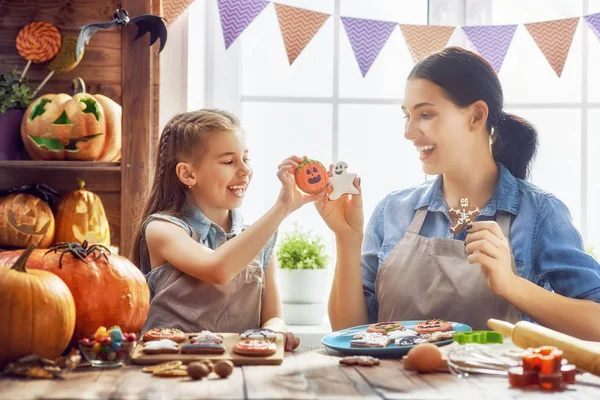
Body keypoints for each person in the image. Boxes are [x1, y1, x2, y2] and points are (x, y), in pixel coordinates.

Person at [317, 47, 600, 340]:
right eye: (407, 116)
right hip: (395, 386)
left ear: (476, 116)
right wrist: (347, 238)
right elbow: (348, 331)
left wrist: (511, 284)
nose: (409, 132)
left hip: (495, 386)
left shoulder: (539, 213)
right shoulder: (393, 210)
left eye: (425, 114)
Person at [131, 109, 324, 350]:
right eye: (229, 161)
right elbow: (217, 269)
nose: (245, 171)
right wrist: (282, 208)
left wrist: (274, 332)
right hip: (172, 369)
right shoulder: (162, 229)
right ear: (187, 173)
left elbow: (273, 317)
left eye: (246, 158)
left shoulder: (258, 238)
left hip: (241, 371)